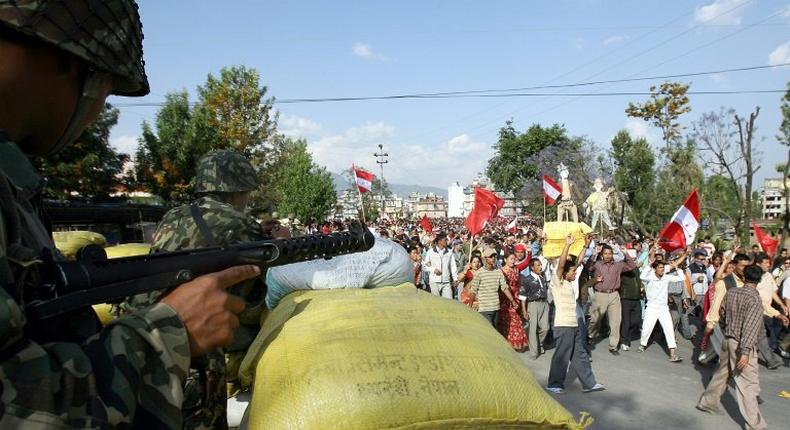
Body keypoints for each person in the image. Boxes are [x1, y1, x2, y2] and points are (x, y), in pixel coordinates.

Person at [0, 2, 259, 427]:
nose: (102, 107)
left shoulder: (176, 214)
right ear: (71, 60)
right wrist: (168, 332)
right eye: (106, 85)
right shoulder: (240, 224)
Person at [122, 149, 272, 429]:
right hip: (192, 345)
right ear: (239, 189)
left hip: (145, 329)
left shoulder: (172, 216)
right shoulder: (242, 225)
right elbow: (248, 304)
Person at [697, 265, 788, 429]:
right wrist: (745, 352)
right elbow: (751, 328)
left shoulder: (733, 292)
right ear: (759, 280)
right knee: (748, 384)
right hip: (742, 345)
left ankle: (708, 402)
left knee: (723, 373)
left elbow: (723, 314)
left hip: (729, 340)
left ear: (744, 277)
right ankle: (755, 424)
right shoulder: (754, 299)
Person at [545, 235, 605, 395]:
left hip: (574, 325)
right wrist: (567, 245)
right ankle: (554, 384)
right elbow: (562, 265)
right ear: (565, 273)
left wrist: (585, 247)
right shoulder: (557, 281)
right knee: (562, 356)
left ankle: (590, 383)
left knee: (580, 355)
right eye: (572, 272)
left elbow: (577, 264)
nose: (575, 274)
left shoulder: (570, 281)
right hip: (563, 325)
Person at [586, 244, 637, 355]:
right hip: (600, 295)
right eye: (605, 254)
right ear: (602, 255)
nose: (608, 256)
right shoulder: (598, 264)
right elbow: (588, 267)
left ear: (612, 254)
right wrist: (594, 253)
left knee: (615, 321)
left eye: (610, 253)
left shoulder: (618, 265)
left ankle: (613, 346)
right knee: (596, 319)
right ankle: (590, 335)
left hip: (614, 295)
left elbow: (632, 266)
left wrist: (625, 253)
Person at [639, 255, 685, 362]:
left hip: (663, 308)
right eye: (660, 268)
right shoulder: (650, 276)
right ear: (655, 269)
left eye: (663, 268)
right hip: (652, 307)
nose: (662, 270)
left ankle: (673, 354)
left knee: (669, 329)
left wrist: (677, 267)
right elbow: (642, 276)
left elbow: (681, 278)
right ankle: (642, 344)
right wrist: (649, 265)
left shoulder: (666, 277)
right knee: (647, 327)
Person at [469, 248, 518, 327]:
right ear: (485, 258)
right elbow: (473, 291)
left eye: (494, 256)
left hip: (496, 307)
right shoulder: (479, 273)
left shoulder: (498, 271)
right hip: (484, 309)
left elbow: (504, 288)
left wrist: (513, 301)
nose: (493, 258)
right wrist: (470, 306)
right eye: (491, 257)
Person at [519, 258, 551, 359]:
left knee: (545, 328)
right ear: (532, 267)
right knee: (532, 329)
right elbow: (522, 296)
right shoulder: (526, 279)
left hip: (544, 304)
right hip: (533, 304)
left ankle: (539, 343)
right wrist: (524, 310)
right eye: (538, 265)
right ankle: (533, 352)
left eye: (541, 265)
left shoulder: (542, 277)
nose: (540, 267)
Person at [499, 254, 528, 351]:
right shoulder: (501, 270)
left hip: (516, 297)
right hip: (505, 298)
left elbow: (526, 262)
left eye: (514, 259)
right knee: (509, 321)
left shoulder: (516, 269)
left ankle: (514, 344)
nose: (513, 261)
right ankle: (508, 344)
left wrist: (528, 251)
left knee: (517, 320)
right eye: (511, 259)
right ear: (505, 259)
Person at [423, 233, 457, 299]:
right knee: (436, 302)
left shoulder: (449, 252)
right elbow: (426, 264)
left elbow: (452, 266)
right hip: (434, 281)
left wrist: (455, 278)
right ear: (439, 241)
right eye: (445, 240)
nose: (447, 241)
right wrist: (433, 270)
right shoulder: (430, 252)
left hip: (446, 281)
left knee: (449, 301)